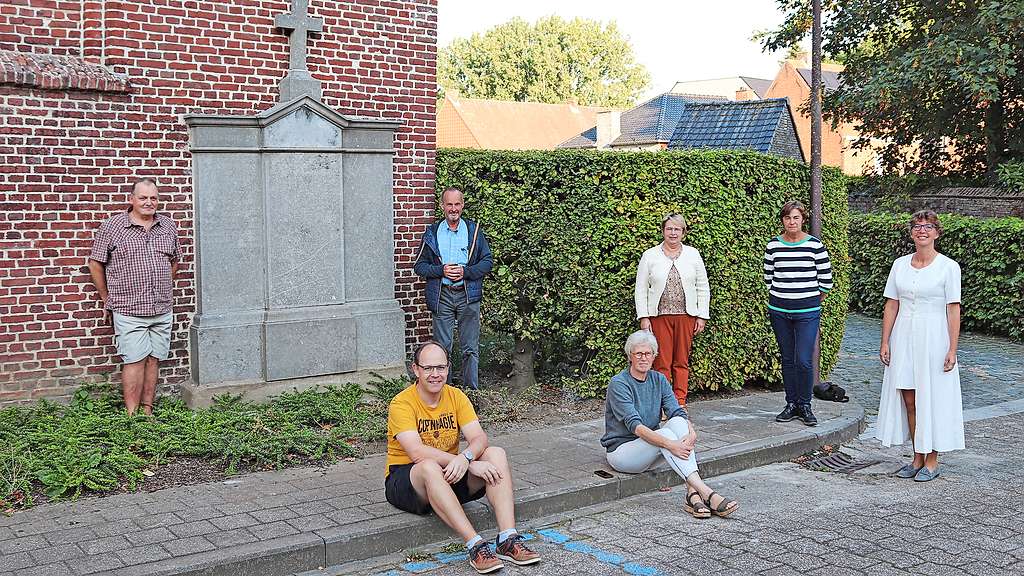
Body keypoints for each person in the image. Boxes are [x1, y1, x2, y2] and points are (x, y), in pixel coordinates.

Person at [384, 341, 540, 574]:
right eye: (428, 368)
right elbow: (416, 452)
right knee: (428, 466)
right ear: (415, 370)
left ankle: (508, 539)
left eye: (441, 367)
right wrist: (468, 465)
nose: (435, 374)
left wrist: (466, 458)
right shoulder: (402, 403)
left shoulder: (456, 396)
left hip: (448, 473)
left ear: (448, 369)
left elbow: (479, 438)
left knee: (495, 453)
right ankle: (475, 545)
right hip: (407, 481)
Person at [601, 330, 739, 519]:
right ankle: (706, 492)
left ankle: (692, 495)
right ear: (629, 356)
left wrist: (691, 432)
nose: (643, 358)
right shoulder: (619, 383)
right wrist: (670, 445)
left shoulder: (659, 379)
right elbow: (636, 427)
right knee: (667, 436)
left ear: (654, 356)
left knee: (678, 423)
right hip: (623, 452)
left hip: (650, 450)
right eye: (638, 354)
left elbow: (676, 411)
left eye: (647, 353)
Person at [876, 210, 964, 482]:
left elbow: (953, 309)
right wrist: (885, 341)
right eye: (917, 226)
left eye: (928, 226)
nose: (922, 230)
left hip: (934, 338)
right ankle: (916, 457)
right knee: (910, 398)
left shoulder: (949, 267)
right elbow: (892, 304)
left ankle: (933, 461)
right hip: (904, 336)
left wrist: (952, 348)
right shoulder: (899, 265)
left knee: (932, 397)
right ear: (911, 232)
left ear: (937, 232)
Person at [88, 178, 179, 416]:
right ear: (132, 199)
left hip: (161, 307)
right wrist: (107, 299)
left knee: (154, 359)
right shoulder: (113, 227)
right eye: (143, 197)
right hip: (129, 308)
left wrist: (162, 286)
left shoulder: (168, 226)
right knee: (134, 360)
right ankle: (131, 415)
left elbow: (175, 261)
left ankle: (147, 410)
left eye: (153, 198)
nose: (149, 202)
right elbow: (96, 264)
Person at [414, 187, 493, 390]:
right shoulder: (432, 233)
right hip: (443, 297)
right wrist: (441, 271)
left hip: (468, 297)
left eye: (457, 204)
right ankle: (444, 396)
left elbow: (487, 262)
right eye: (449, 204)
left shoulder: (473, 231)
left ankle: (471, 395)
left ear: (462, 205)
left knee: (470, 349)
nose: (453, 208)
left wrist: (465, 273)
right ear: (442, 206)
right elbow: (419, 266)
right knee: (442, 349)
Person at [763, 200, 833, 427]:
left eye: (796, 217)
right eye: (787, 218)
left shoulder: (815, 246)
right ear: (782, 220)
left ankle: (805, 405)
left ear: (803, 219)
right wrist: (784, 296)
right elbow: (768, 278)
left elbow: (826, 282)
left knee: (803, 360)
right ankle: (791, 403)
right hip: (779, 311)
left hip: (807, 312)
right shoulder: (773, 246)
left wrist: (808, 300)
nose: (791, 222)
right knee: (788, 359)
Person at [634, 213, 710, 406]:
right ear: (663, 231)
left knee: (681, 362)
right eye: (669, 229)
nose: (673, 233)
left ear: (683, 232)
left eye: (677, 229)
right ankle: (663, 404)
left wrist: (702, 315)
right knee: (662, 363)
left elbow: (702, 286)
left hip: (686, 316)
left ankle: (680, 402)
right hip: (659, 317)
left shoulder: (693, 254)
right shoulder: (650, 255)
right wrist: (644, 316)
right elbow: (641, 288)